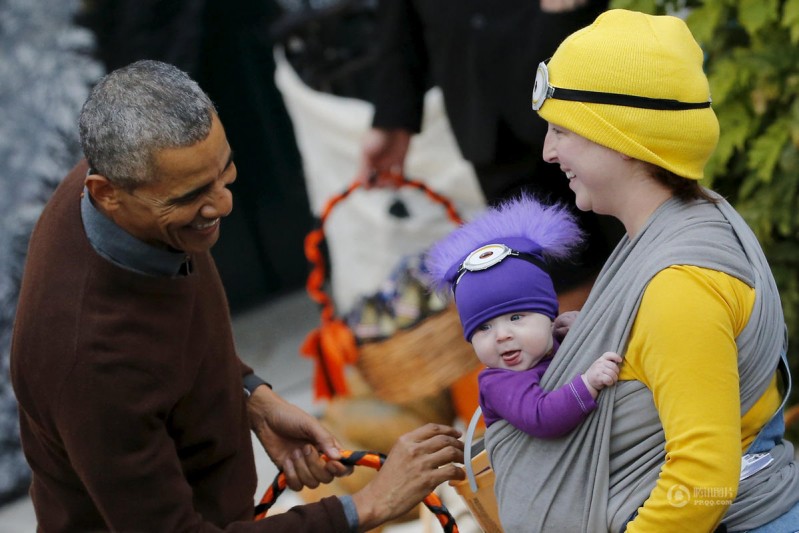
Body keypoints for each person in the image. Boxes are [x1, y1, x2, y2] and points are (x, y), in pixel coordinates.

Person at [9, 59, 464, 532]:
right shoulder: (87, 360)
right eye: (191, 196)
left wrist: (249, 394)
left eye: (224, 173)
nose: (222, 204)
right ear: (105, 193)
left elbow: (169, 346)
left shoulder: (145, 186)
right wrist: (365, 507)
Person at [483, 9, 799, 532]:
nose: (548, 150)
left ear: (623, 138)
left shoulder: (679, 284)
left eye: (562, 129)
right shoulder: (686, 227)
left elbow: (702, 480)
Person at [359, 0, 620, 295]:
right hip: (485, 120)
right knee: (547, 284)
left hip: (570, 75)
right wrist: (392, 120)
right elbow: (399, 23)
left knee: (630, 251)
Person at [425, 195, 622, 438]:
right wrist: (588, 383)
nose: (502, 335)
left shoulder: (548, 346)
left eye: (516, 318)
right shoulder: (499, 383)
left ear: (549, 316)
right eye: (484, 327)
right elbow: (543, 417)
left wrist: (572, 332)